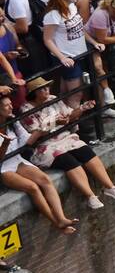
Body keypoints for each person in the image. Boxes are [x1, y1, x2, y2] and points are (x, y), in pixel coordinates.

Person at [21, 76, 115, 210]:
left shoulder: (53, 99)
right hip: (45, 145)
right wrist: (55, 122)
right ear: (34, 93)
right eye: (42, 89)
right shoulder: (26, 110)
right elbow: (36, 133)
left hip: (64, 138)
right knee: (69, 161)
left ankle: (110, 187)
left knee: (85, 151)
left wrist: (82, 108)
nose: (47, 90)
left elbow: (70, 116)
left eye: (47, 87)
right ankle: (90, 196)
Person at [0, 96, 79, 234]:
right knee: (33, 187)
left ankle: (61, 217)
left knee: (45, 180)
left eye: (11, 103)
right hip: (4, 168)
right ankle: (56, 223)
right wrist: (5, 144)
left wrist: (47, 126)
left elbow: (28, 141)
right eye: (7, 105)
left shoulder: (13, 122)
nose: (11, 107)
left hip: (17, 160)